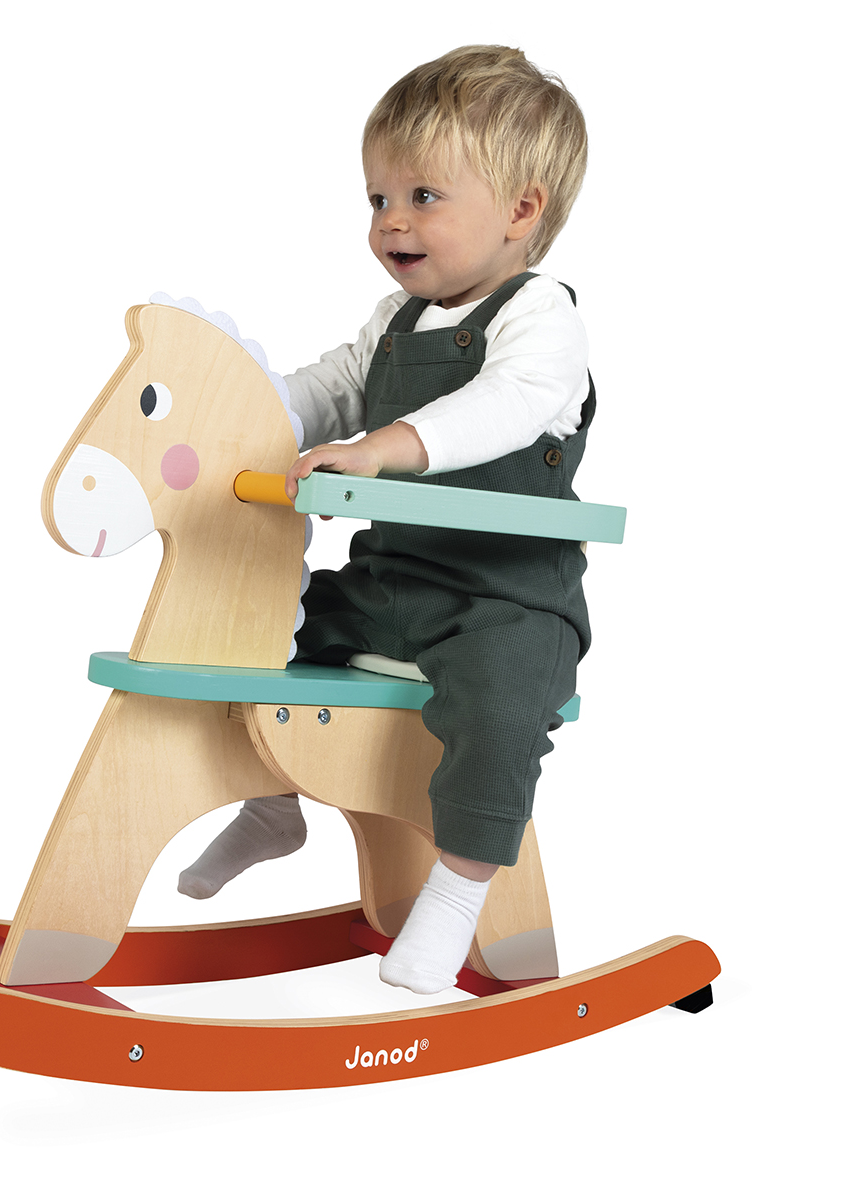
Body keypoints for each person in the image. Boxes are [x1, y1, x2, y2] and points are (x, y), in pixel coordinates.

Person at [178, 45, 593, 996]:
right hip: (387, 588)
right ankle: (271, 805)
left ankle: (457, 893)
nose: (391, 222)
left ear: (521, 210)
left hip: (505, 598)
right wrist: (242, 411)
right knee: (245, 633)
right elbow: (324, 390)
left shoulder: (541, 322)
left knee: (500, 707)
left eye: (423, 197)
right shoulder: (394, 322)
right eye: (378, 198)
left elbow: (505, 406)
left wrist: (384, 446)